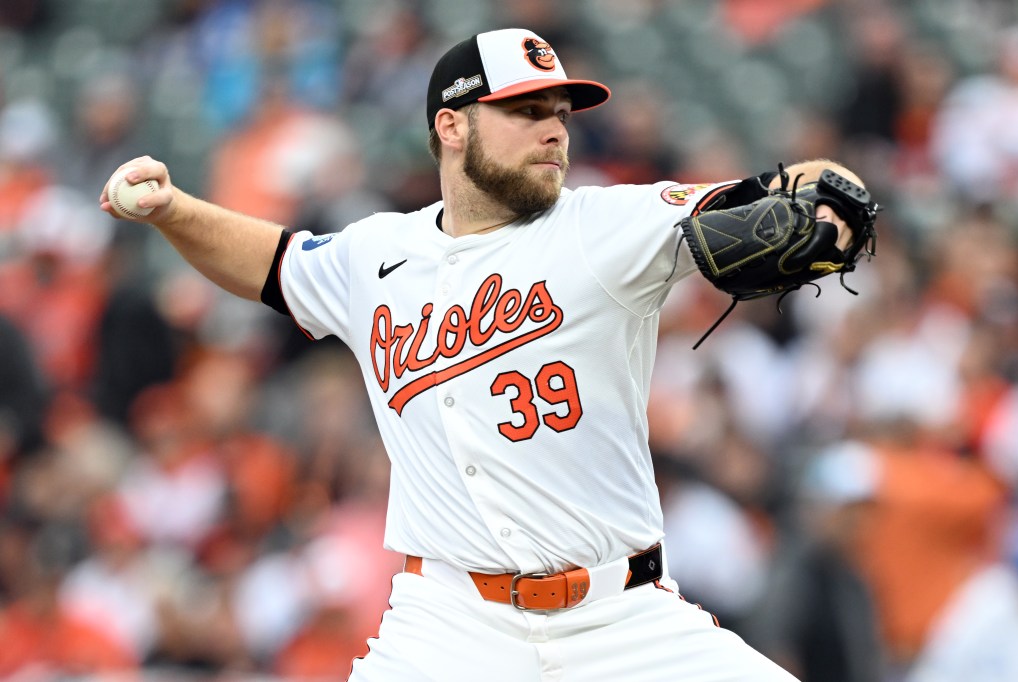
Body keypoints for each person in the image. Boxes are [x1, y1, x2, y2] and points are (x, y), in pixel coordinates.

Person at [100, 27, 873, 681]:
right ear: (452, 125)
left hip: (621, 619)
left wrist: (824, 199)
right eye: (526, 111)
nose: (556, 130)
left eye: (561, 113)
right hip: (446, 625)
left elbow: (769, 196)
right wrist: (174, 210)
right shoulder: (377, 254)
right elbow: (275, 263)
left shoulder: (607, 224)